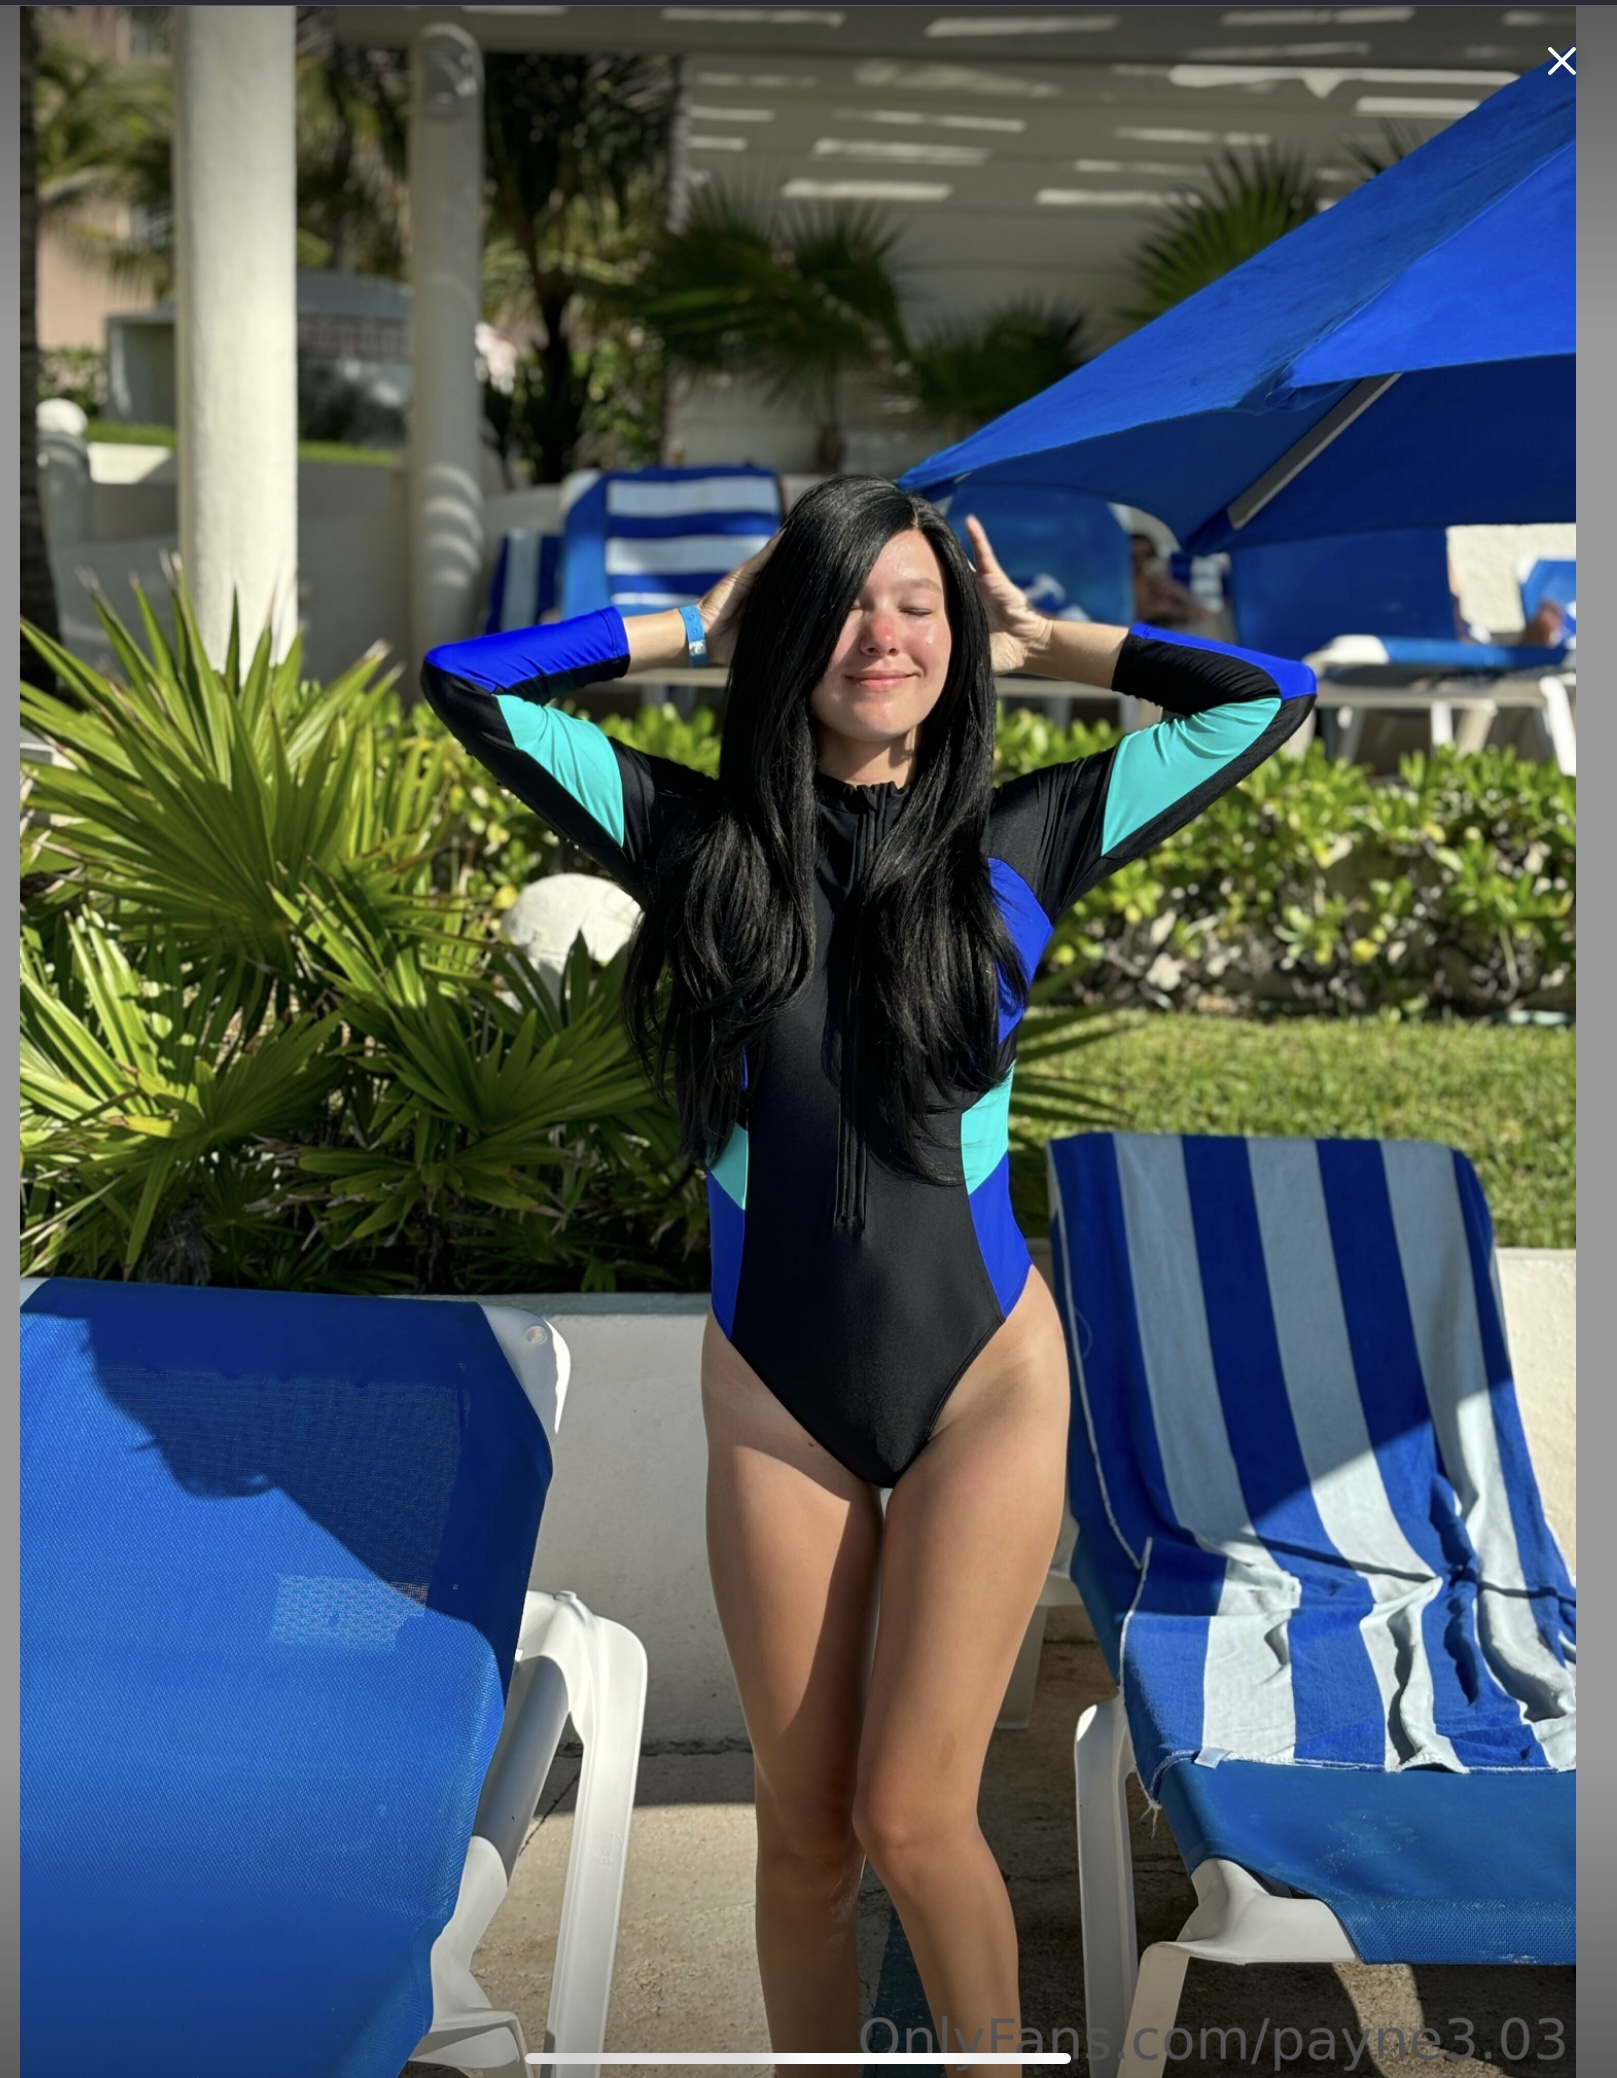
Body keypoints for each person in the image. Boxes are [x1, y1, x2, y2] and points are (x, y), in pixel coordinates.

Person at [421, 478, 1316, 2076]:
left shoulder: (1027, 836)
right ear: (786, 636)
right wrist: (691, 622)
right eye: (841, 603)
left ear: (955, 634)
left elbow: (1265, 697)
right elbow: (467, 684)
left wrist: (1053, 638)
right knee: (804, 1837)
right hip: (778, 1396)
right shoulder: (690, 840)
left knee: (912, 1813)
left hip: (984, 1384)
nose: (881, 634)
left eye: (916, 602)